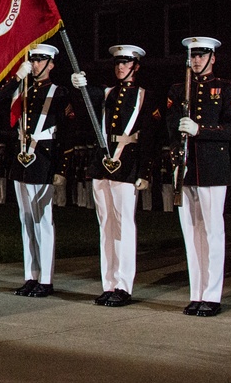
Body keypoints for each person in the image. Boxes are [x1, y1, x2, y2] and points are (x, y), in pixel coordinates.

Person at [71, 44, 160, 307]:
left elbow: (151, 138)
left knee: (124, 226)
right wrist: (79, 87)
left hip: (127, 163)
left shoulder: (145, 96)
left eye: (125, 63)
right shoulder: (107, 93)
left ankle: (123, 285)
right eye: (117, 63)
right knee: (106, 226)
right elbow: (84, 109)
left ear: (136, 66)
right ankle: (108, 284)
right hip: (102, 163)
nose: (120, 67)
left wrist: (145, 171)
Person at [166, 36, 231, 318]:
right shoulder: (178, 89)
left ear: (213, 58)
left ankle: (212, 295)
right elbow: (171, 128)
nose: (197, 60)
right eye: (193, 56)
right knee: (191, 233)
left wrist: (201, 130)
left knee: (212, 232)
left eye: (202, 55)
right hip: (186, 168)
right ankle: (196, 293)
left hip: (212, 168)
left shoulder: (224, 88)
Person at [0, 44, 73, 298]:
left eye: (40, 61)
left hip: (45, 158)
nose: (36, 65)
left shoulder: (59, 93)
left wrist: (61, 167)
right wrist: (17, 77)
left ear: (51, 64)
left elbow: (67, 134)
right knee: (26, 220)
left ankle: (46, 280)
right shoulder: (22, 90)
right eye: (33, 61)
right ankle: (31, 276)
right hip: (21, 159)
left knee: (43, 221)